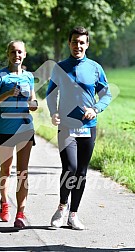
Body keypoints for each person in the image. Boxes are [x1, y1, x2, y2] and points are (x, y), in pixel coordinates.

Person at [47, 26, 112, 230]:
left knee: (82, 172)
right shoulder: (60, 68)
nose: (78, 45)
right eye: (74, 41)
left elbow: (106, 95)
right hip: (66, 126)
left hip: (88, 126)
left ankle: (73, 215)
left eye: (82, 42)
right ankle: (61, 207)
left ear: (87, 44)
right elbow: (50, 94)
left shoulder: (94, 68)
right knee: (70, 168)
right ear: (69, 43)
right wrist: (53, 112)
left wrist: (96, 109)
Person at [0, 40, 38, 229]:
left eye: (19, 52)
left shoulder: (29, 77)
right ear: (8, 54)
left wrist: (34, 105)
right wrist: (7, 94)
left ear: (24, 54)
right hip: (5, 129)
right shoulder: (1, 76)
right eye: (13, 52)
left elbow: (32, 101)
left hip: (24, 128)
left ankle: (20, 214)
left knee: (22, 173)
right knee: (6, 171)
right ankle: (4, 202)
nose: (16, 55)